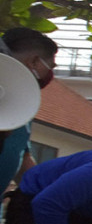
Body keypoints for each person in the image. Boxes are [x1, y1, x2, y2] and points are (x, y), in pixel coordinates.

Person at [0, 28, 58, 191]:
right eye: (50, 66)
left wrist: (47, 191)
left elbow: (21, 156)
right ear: (34, 62)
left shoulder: (22, 104)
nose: (50, 73)